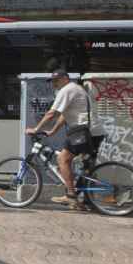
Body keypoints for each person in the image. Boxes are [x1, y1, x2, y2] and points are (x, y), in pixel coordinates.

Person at [29, 68, 91, 206]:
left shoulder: (67, 90)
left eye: (56, 80)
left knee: (62, 158)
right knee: (82, 165)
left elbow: (52, 113)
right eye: (52, 81)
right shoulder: (74, 88)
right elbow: (64, 114)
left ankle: (70, 195)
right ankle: (83, 199)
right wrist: (52, 131)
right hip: (82, 130)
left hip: (80, 130)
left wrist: (36, 129)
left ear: (65, 79)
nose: (54, 84)